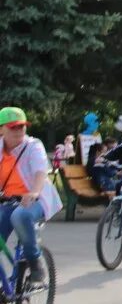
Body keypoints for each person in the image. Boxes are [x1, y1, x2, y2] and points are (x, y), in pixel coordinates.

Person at [0, 107, 62, 283]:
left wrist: (34, 191)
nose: (18, 130)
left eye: (22, 126)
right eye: (13, 127)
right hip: (7, 201)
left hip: (36, 200)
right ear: (1, 129)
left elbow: (40, 172)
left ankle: (35, 262)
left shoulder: (33, 146)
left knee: (21, 215)